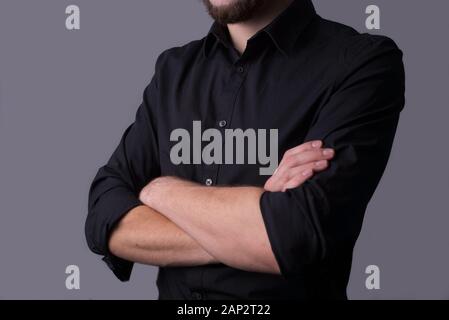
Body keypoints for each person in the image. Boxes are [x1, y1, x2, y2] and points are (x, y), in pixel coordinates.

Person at [85, 0, 405, 299]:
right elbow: (104, 214)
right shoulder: (173, 71)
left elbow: (296, 234)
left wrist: (160, 192)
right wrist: (248, 232)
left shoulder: (360, 63)